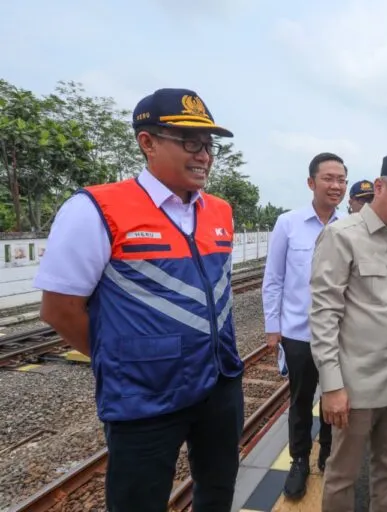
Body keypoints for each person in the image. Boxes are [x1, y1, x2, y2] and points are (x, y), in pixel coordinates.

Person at [34, 88, 244, 511]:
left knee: (217, 492)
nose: (203, 155)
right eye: (190, 142)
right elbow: (59, 310)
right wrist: (123, 357)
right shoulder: (96, 208)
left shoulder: (219, 210)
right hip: (144, 397)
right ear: (146, 142)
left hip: (220, 385)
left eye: (208, 145)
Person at [309, 155, 387, 512]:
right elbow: (324, 314)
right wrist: (332, 386)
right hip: (356, 389)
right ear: (379, 187)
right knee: (342, 475)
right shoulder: (340, 236)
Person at [261, 152, 345, 499]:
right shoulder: (288, 223)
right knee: (300, 400)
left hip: (340, 334)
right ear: (311, 182)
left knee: (335, 396)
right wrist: (272, 326)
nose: (336, 185)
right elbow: (274, 278)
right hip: (298, 333)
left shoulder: (350, 226)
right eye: (328, 178)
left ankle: (328, 453)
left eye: (342, 179)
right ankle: (299, 460)